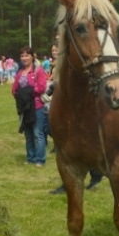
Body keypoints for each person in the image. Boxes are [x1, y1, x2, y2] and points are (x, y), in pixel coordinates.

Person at [44, 42, 104, 194]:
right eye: (53, 50)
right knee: (64, 149)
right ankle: (67, 183)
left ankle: (96, 175)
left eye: (57, 50)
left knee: (85, 147)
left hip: (80, 112)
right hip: (64, 111)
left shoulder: (77, 66)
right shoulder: (58, 65)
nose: (54, 53)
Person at [12, 47, 48, 166]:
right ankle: (30, 158)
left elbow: (42, 87)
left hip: (36, 106)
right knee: (28, 134)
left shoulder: (38, 71)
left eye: (27, 55)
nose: (24, 58)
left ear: (32, 56)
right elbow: (14, 90)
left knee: (38, 133)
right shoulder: (19, 72)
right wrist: (21, 96)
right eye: (22, 56)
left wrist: (28, 93)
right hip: (24, 108)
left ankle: (40, 159)